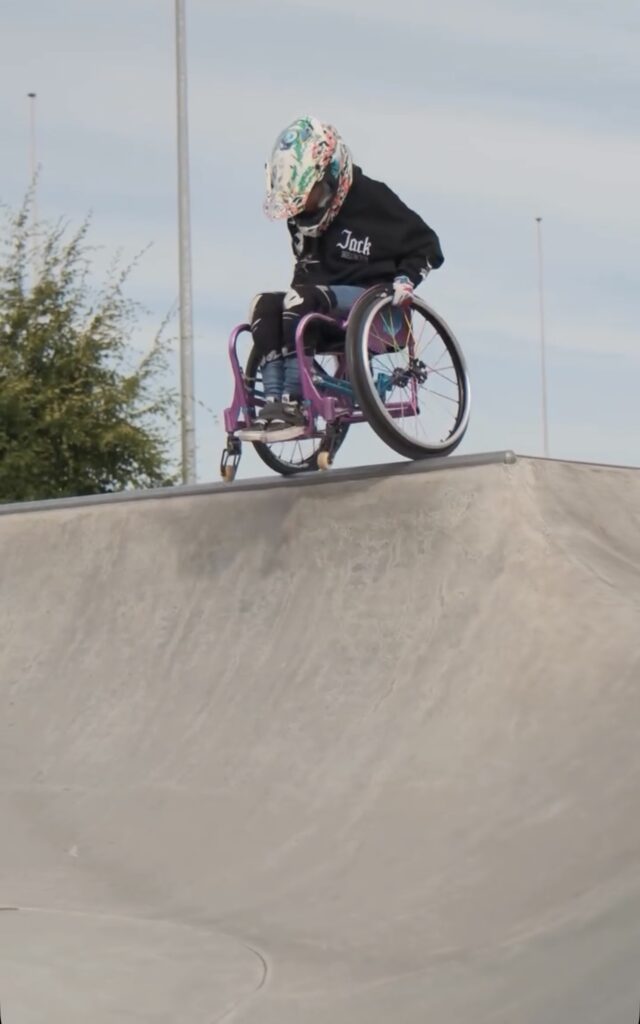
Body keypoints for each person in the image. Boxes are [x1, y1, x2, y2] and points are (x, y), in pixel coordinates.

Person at [241, 115, 444, 439]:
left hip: (374, 306)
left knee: (299, 299)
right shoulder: (302, 218)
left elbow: (428, 244)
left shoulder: (373, 199)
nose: (302, 211)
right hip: (325, 307)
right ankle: (275, 401)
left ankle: (293, 401)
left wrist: (407, 278)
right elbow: (305, 271)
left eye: (307, 199)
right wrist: (287, 321)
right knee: (262, 305)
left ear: (330, 177)